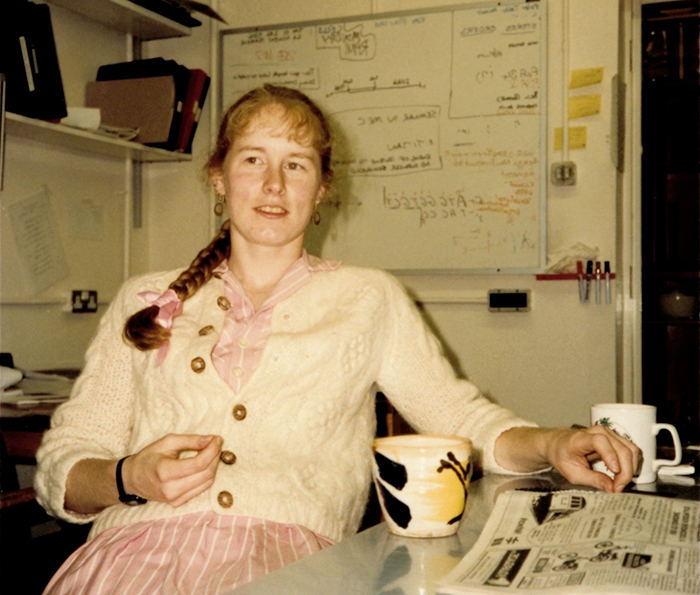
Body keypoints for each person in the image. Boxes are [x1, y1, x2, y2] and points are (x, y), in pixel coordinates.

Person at [35, 84, 639, 595]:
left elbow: (461, 418)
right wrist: (128, 479)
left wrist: (557, 441)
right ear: (218, 177)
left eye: (296, 164)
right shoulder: (145, 296)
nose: (273, 183)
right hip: (131, 560)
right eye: (253, 160)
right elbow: (64, 468)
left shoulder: (368, 298)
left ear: (322, 189)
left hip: (295, 567)